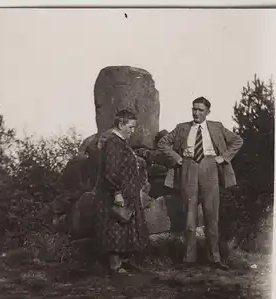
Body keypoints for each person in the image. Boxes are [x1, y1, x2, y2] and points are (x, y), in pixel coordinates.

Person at [157, 96, 243, 269]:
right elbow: (163, 143)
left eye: (200, 110)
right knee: (189, 216)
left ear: (208, 112)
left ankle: (215, 259)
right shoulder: (182, 128)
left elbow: (238, 140)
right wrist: (177, 158)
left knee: (212, 215)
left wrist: (223, 158)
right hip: (188, 167)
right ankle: (189, 259)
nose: (196, 113)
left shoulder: (216, 127)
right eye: (194, 109)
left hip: (210, 167)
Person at [95, 110, 149, 274]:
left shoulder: (121, 143)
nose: (133, 131)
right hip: (116, 193)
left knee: (124, 227)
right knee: (115, 227)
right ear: (121, 125)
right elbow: (111, 171)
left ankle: (123, 263)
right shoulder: (113, 143)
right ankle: (115, 266)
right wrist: (117, 192)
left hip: (127, 192)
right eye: (131, 127)